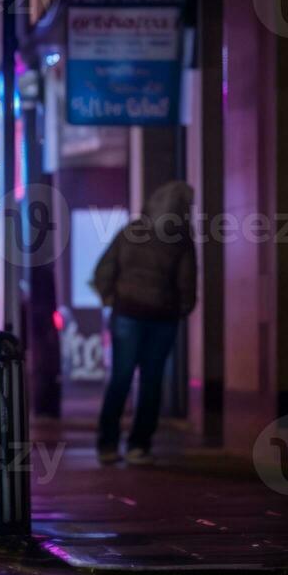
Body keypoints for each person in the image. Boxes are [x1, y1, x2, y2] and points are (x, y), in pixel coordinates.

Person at [91, 180, 197, 466]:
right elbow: (187, 284)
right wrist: (182, 308)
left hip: (126, 312)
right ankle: (139, 445)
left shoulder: (130, 232)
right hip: (162, 318)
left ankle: (107, 444)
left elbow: (104, 269)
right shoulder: (181, 238)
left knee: (121, 378)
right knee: (152, 382)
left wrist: (111, 298)